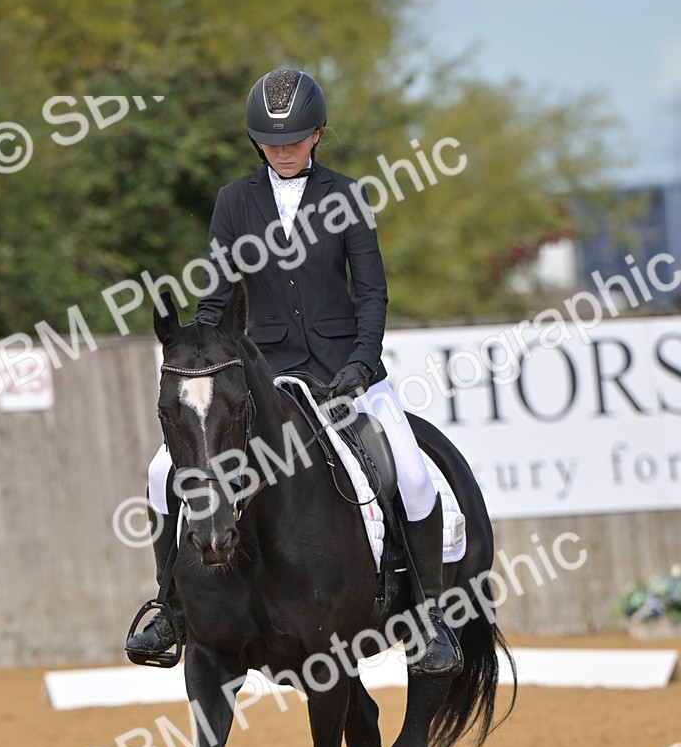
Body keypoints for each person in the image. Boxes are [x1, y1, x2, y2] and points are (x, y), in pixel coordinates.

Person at [126, 67, 462, 677]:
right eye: (270, 141)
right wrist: (201, 351)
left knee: (413, 476)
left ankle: (429, 616)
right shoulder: (234, 201)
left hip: (343, 372)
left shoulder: (348, 196)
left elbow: (371, 294)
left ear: (317, 135)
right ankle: (169, 608)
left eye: (294, 139)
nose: (282, 151)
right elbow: (216, 297)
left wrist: (362, 363)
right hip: (263, 376)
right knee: (157, 474)